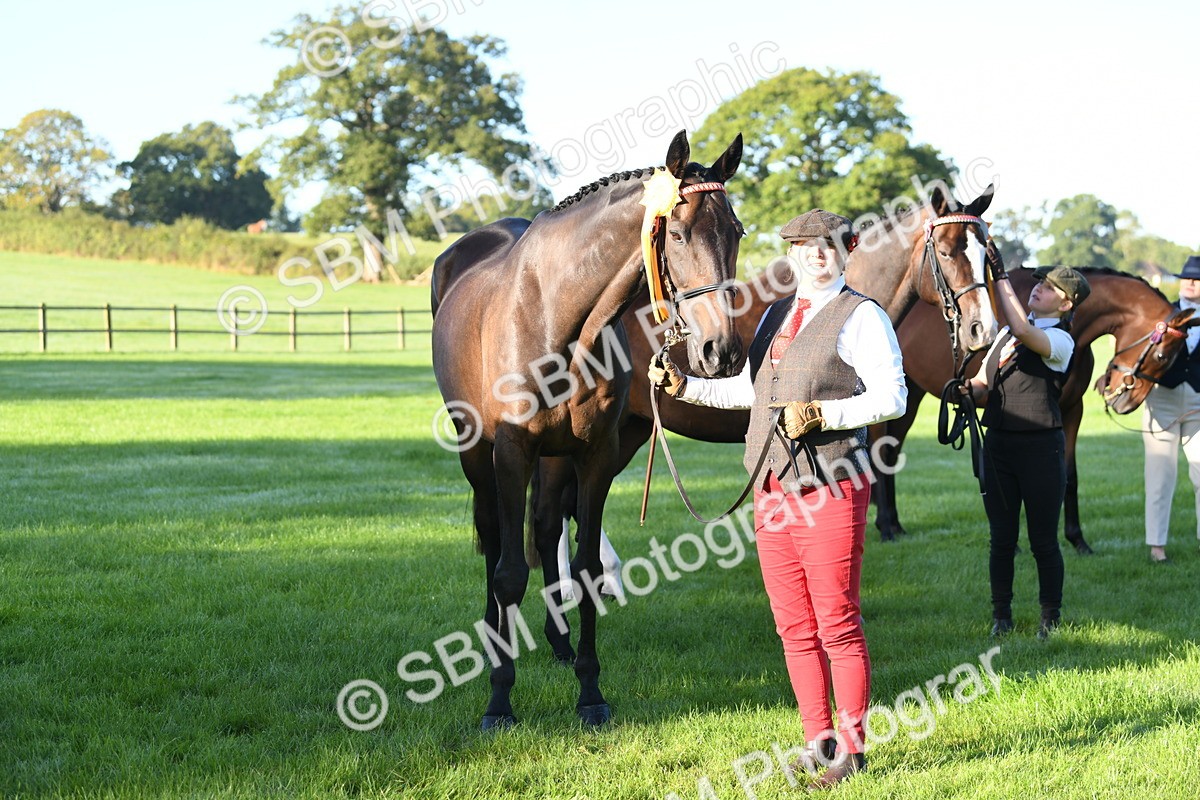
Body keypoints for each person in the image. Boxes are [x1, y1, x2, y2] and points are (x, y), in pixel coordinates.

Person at [649, 210, 906, 789]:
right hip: (772, 488)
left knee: (836, 621)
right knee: (793, 625)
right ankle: (818, 741)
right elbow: (751, 391)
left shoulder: (863, 316)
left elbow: (892, 396)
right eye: (804, 246)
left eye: (828, 246)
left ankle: (853, 749)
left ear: (847, 251)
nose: (816, 255)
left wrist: (823, 413)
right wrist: (684, 387)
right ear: (790, 254)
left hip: (833, 484)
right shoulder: (776, 314)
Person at [960, 247, 1090, 639]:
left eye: (1049, 287)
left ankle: (1050, 615)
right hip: (999, 446)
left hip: (1041, 450)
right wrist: (966, 392)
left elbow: (1023, 331)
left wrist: (999, 279)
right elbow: (984, 384)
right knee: (1001, 540)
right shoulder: (1003, 335)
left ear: (1066, 303)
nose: (1038, 289)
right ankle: (1002, 616)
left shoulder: (1061, 341)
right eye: (1038, 283)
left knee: (1043, 541)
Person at [1142, 254, 1200, 563]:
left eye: (1198, 278)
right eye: (1188, 277)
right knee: (1160, 475)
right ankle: (1157, 547)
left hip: (1198, 402)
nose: (1191, 282)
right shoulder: (1160, 313)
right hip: (1162, 399)